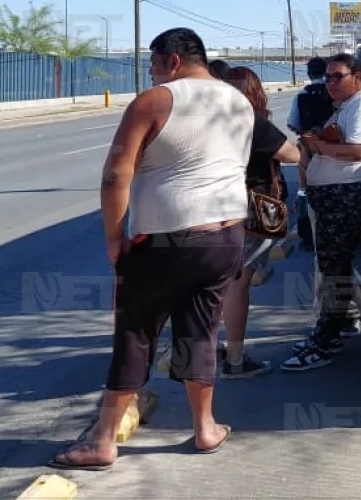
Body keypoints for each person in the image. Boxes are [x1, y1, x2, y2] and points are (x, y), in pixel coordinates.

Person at [49, 28, 254, 471]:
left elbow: (114, 174)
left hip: (164, 240)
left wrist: (113, 235)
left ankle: (103, 440)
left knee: (136, 333)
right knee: (201, 332)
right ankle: (205, 428)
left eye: (154, 61)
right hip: (225, 237)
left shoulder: (155, 100)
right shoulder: (239, 101)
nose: (151, 70)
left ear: (173, 61)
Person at [280, 52, 361, 372]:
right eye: (327, 78)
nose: (330, 84)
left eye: (337, 76)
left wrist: (318, 146)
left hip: (346, 196)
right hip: (331, 195)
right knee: (331, 266)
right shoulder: (345, 107)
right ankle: (334, 330)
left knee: (333, 269)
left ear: (357, 76)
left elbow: (357, 150)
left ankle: (324, 342)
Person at [219, 66, 301, 379]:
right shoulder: (251, 122)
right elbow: (291, 155)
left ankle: (208, 349)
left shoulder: (212, 123)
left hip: (213, 211)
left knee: (217, 283)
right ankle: (236, 359)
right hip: (250, 213)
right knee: (238, 284)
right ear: (254, 91)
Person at [286, 57, 333, 253]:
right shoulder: (335, 93)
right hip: (334, 149)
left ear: (308, 74)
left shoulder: (302, 94)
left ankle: (307, 235)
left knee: (304, 190)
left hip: (308, 149)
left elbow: (292, 124)